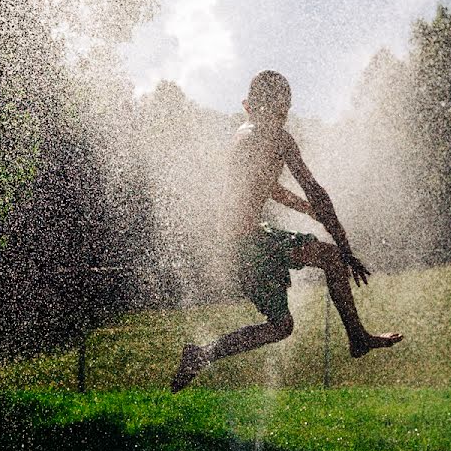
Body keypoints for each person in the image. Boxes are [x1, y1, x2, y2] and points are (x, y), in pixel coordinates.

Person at [170, 70, 402, 393]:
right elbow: (316, 191)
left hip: (244, 241)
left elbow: (266, 186)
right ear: (267, 106)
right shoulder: (274, 138)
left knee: (282, 324)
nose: (286, 115)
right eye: (283, 108)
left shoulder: (248, 135)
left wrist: (307, 210)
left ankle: (201, 355)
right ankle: (358, 337)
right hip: (247, 245)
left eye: (287, 109)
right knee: (330, 260)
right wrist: (345, 245)